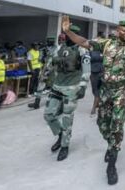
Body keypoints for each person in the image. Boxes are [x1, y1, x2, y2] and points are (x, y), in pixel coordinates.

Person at [62, 17, 125, 186]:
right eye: (123, 30)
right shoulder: (106, 44)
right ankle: (110, 143)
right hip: (106, 90)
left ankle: (112, 163)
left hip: (122, 90)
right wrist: (68, 32)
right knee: (102, 123)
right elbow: (83, 42)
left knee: (117, 124)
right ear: (117, 31)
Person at [43, 25, 89, 161]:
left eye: (71, 34)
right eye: (66, 33)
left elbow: (86, 69)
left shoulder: (82, 50)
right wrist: (46, 75)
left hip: (72, 87)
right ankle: (60, 135)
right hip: (57, 85)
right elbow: (50, 64)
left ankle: (64, 145)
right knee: (49, 114)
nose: (67, 36)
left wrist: (83, 86)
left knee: (67, 118)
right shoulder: (59, 48)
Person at [29, 37, 58, 110]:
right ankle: (37, 103)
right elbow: (40, 59)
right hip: (46, 70)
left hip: (52, 70)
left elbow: (56, 61)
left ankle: (51, 102)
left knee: (53, 87)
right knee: (40, 86)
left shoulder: (56, 50)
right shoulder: (45, 49)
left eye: (48, 41)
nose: (47, 43)